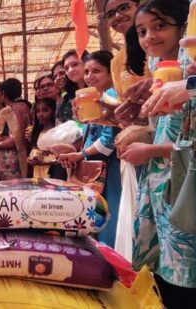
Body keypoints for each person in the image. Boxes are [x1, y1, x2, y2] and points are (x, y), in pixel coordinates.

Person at [122, 0, 196, 304]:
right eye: (142, 31)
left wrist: (149, 150)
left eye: (159, 26)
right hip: (162, 188)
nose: (149, 37)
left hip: (182, 190)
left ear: (182, 27)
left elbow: (190, 142)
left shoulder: (189, 71)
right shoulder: (161, 74)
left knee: (184, 277)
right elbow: (168, 127)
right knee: (164, 275)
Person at [58, 50, 122, 248]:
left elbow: (108, 140)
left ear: (111, 72)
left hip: (109, 167)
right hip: (99, 166)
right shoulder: (96, 98)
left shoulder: (111, 96)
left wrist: (81, 154)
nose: (89, 76)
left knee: (107, 215)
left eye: (96, 71)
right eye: (87, 71)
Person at [26, 98, 66, 179]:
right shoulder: (36, 131)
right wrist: (30, 159)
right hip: (38, 171)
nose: (40, 114)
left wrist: (43, 162)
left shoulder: (60, 131)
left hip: (55, 171)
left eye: (45, 110)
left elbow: (62, 155)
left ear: (53, 111)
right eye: (38, 111)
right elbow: (34, 151)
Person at [57, 50, 89, 123]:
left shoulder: (97, 92)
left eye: (75, 64)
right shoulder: (67, 98)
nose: (70, 70)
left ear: (87, 63)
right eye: (66, 68)